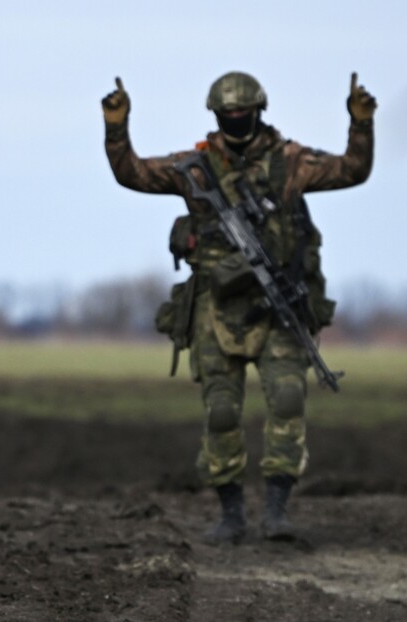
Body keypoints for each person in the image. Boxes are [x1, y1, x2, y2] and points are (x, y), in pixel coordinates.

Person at [101, 72, 375, 543]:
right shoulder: (196, 166)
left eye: (242, 112)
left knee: (288, 402)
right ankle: (230, 517)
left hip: (277, 307)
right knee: (221, 412)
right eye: (227, 114)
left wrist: (361, 125)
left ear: (258, 111)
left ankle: (276, 513)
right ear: (216, 114)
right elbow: (133, 173)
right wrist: (116, 128)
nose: (236, 119)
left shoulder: (291, 161)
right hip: (216, 308)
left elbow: (352, 169)